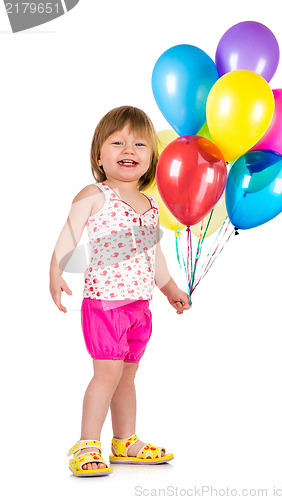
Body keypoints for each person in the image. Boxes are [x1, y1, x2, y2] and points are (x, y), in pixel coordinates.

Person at [49, 106, 191, 477]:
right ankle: (86, 443)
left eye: (139, 143)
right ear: (99, 155)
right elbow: (70, 232)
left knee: (128, 374)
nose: (129, 149)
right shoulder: (95, 194)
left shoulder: (150, 206)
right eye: (117, 142)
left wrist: (170, 287)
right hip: (105, 305)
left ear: (151, 158)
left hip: (139, 308)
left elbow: (153, 253)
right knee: (107, 374)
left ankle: (124, 440)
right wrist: (56, 269)